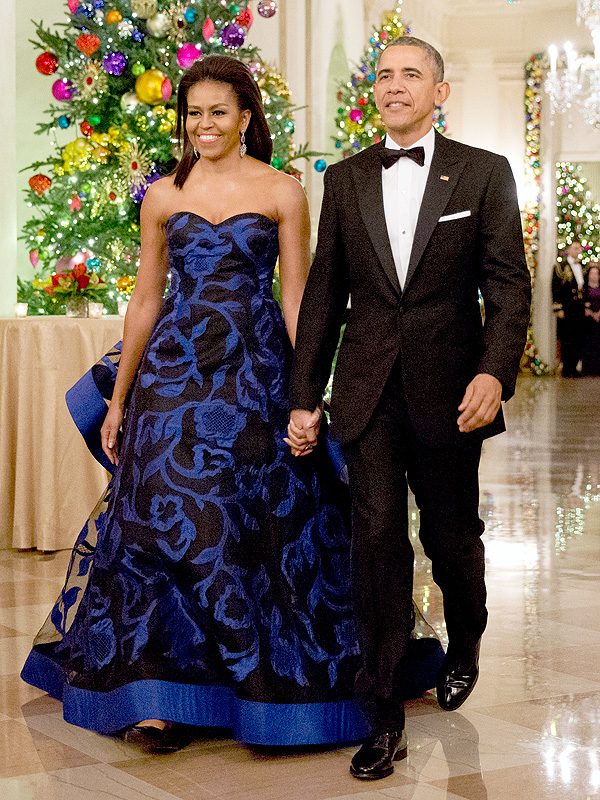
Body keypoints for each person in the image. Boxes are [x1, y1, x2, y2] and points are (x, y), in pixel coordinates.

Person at [21, 55, 443, 753]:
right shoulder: (162, 195)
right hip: (171, 377)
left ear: (246, 116)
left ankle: (247, 685)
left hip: (254, 376)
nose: (204, 125)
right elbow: (146, 298)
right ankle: (157, 696)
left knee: (240, 524)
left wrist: (311, 389)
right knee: (159, 521)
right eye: (194, 113)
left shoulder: (283, 191)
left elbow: (297, 296)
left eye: (218, 112)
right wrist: (120, 399)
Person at [287, 36, 531, 780]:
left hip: (451, 391)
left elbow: (508, 287)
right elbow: (324, 294)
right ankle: (383, 712)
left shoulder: (484, 173)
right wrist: (305, 397)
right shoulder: (345, 178)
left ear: (439, 92)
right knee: (376, 544)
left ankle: (467, 638)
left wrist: (494, 373)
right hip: (366, 392)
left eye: (411, 75)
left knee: (452, 537)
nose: (395, 85)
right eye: (386, 75)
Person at [552, 241, 586, 377]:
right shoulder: (560, 267)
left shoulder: (582, 267)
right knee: (567, 339)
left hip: (579, 309)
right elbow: (555, 288)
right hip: (566, 309)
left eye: (579, 248)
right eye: (575, 248)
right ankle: (567, 368)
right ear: (569, 250)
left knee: (578, 338)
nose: (578, 250)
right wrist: (558, 308)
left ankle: (574, 367)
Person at [582, 263, 600, 376]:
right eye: (592, 273)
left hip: (599, 319)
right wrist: (591, 313)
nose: (594, 276)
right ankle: (588, 368)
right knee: (588, 344)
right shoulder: (584, 289)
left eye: (596, 274)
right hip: (588, 321)